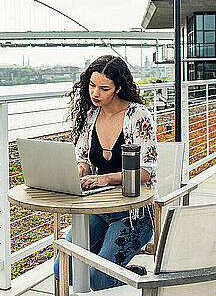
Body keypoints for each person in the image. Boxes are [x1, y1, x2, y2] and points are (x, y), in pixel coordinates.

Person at [53, 55, 158, 291]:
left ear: (118, 88)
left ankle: (129, 276)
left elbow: (145, 172)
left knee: (98, 279)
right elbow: (84, 160)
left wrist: (105, 178)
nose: (95, 93)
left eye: (104, 88)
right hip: (99, 208)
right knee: (63, 269)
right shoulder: (92, 116)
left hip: (134, 213)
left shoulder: (138, 116)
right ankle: (126, 272)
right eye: (92, 85)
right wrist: (81, 172)